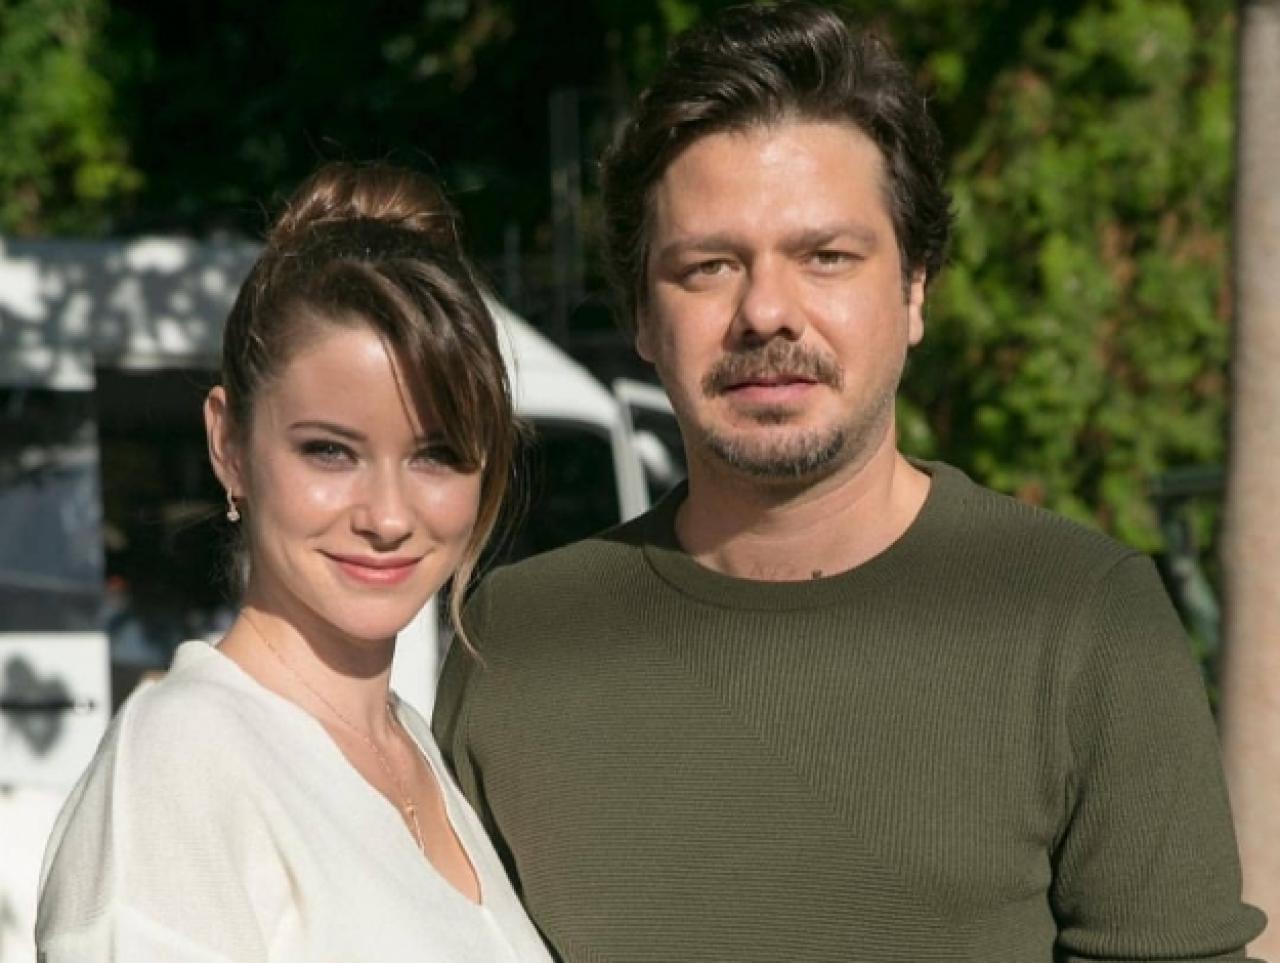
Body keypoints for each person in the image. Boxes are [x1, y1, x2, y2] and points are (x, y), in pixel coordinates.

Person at [433, 4, 1267, 961]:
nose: (766, 311)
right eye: (709, 266)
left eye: (826, 257)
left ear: (914, 289)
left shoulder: (1082, 619)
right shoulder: (516, 644)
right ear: (641, 317)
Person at [36, 162, 554, 962]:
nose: (387, 516)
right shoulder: (179, 765)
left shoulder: (420, 753)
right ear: (229, 443)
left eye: (437, 454)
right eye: (329, 451)